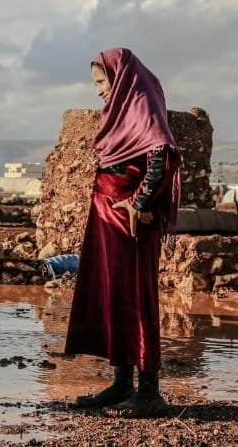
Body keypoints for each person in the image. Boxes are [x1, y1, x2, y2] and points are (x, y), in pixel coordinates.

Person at [65, 47, 181, 417]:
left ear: (121, 78)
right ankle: (121, 383)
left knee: (135, 297)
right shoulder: (122, 111)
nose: (99, 90)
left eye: (102, 81)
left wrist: (140, 204)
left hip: (127, 220)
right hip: (108, 216)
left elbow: (161, 151)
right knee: (113, 295)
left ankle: (149, 393)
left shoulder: (141, 103)